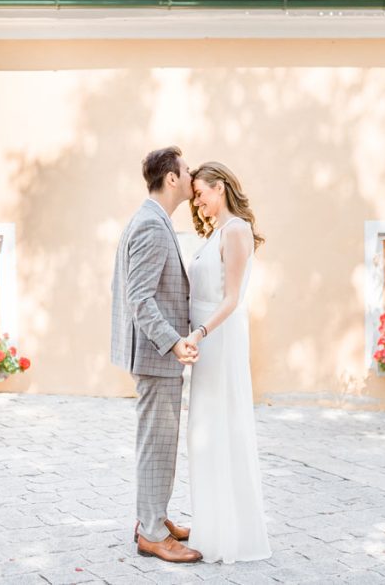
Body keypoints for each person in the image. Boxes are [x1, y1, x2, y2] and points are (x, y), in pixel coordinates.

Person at [110, 146, 203, 563]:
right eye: (186, 170)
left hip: (153, 354)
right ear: (171, 179)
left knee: (159, 442)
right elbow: (140, 298)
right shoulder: (151, 225)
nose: (191, 176)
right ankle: (150, 532)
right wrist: (173, 340)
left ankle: (155, 516)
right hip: (155, 355)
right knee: (157, 445)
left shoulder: (151, 219)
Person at [184, 161, 272, 564]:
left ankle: (230, 534)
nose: (197, 202)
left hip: (218, 340)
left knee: (220, 428)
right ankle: (210, 525)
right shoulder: (216, 231)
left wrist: (199, 333)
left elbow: (232, 298)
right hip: (207, 340)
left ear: (220, 187)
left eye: (201, 193)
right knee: (205, 431)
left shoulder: (236, 231)